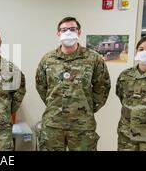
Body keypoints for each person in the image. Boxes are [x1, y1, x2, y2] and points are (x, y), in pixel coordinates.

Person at [35, 17, 111, 151]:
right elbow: (41, 86)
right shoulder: (48, 59)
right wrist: (53, 104)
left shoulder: (93, 58)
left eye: (72, 29)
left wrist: (88, 108)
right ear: (58, 33)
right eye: (64, 30)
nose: (68, 32)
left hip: (82, 125)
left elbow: (102, 87)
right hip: (53, 124)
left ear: (79, 32)